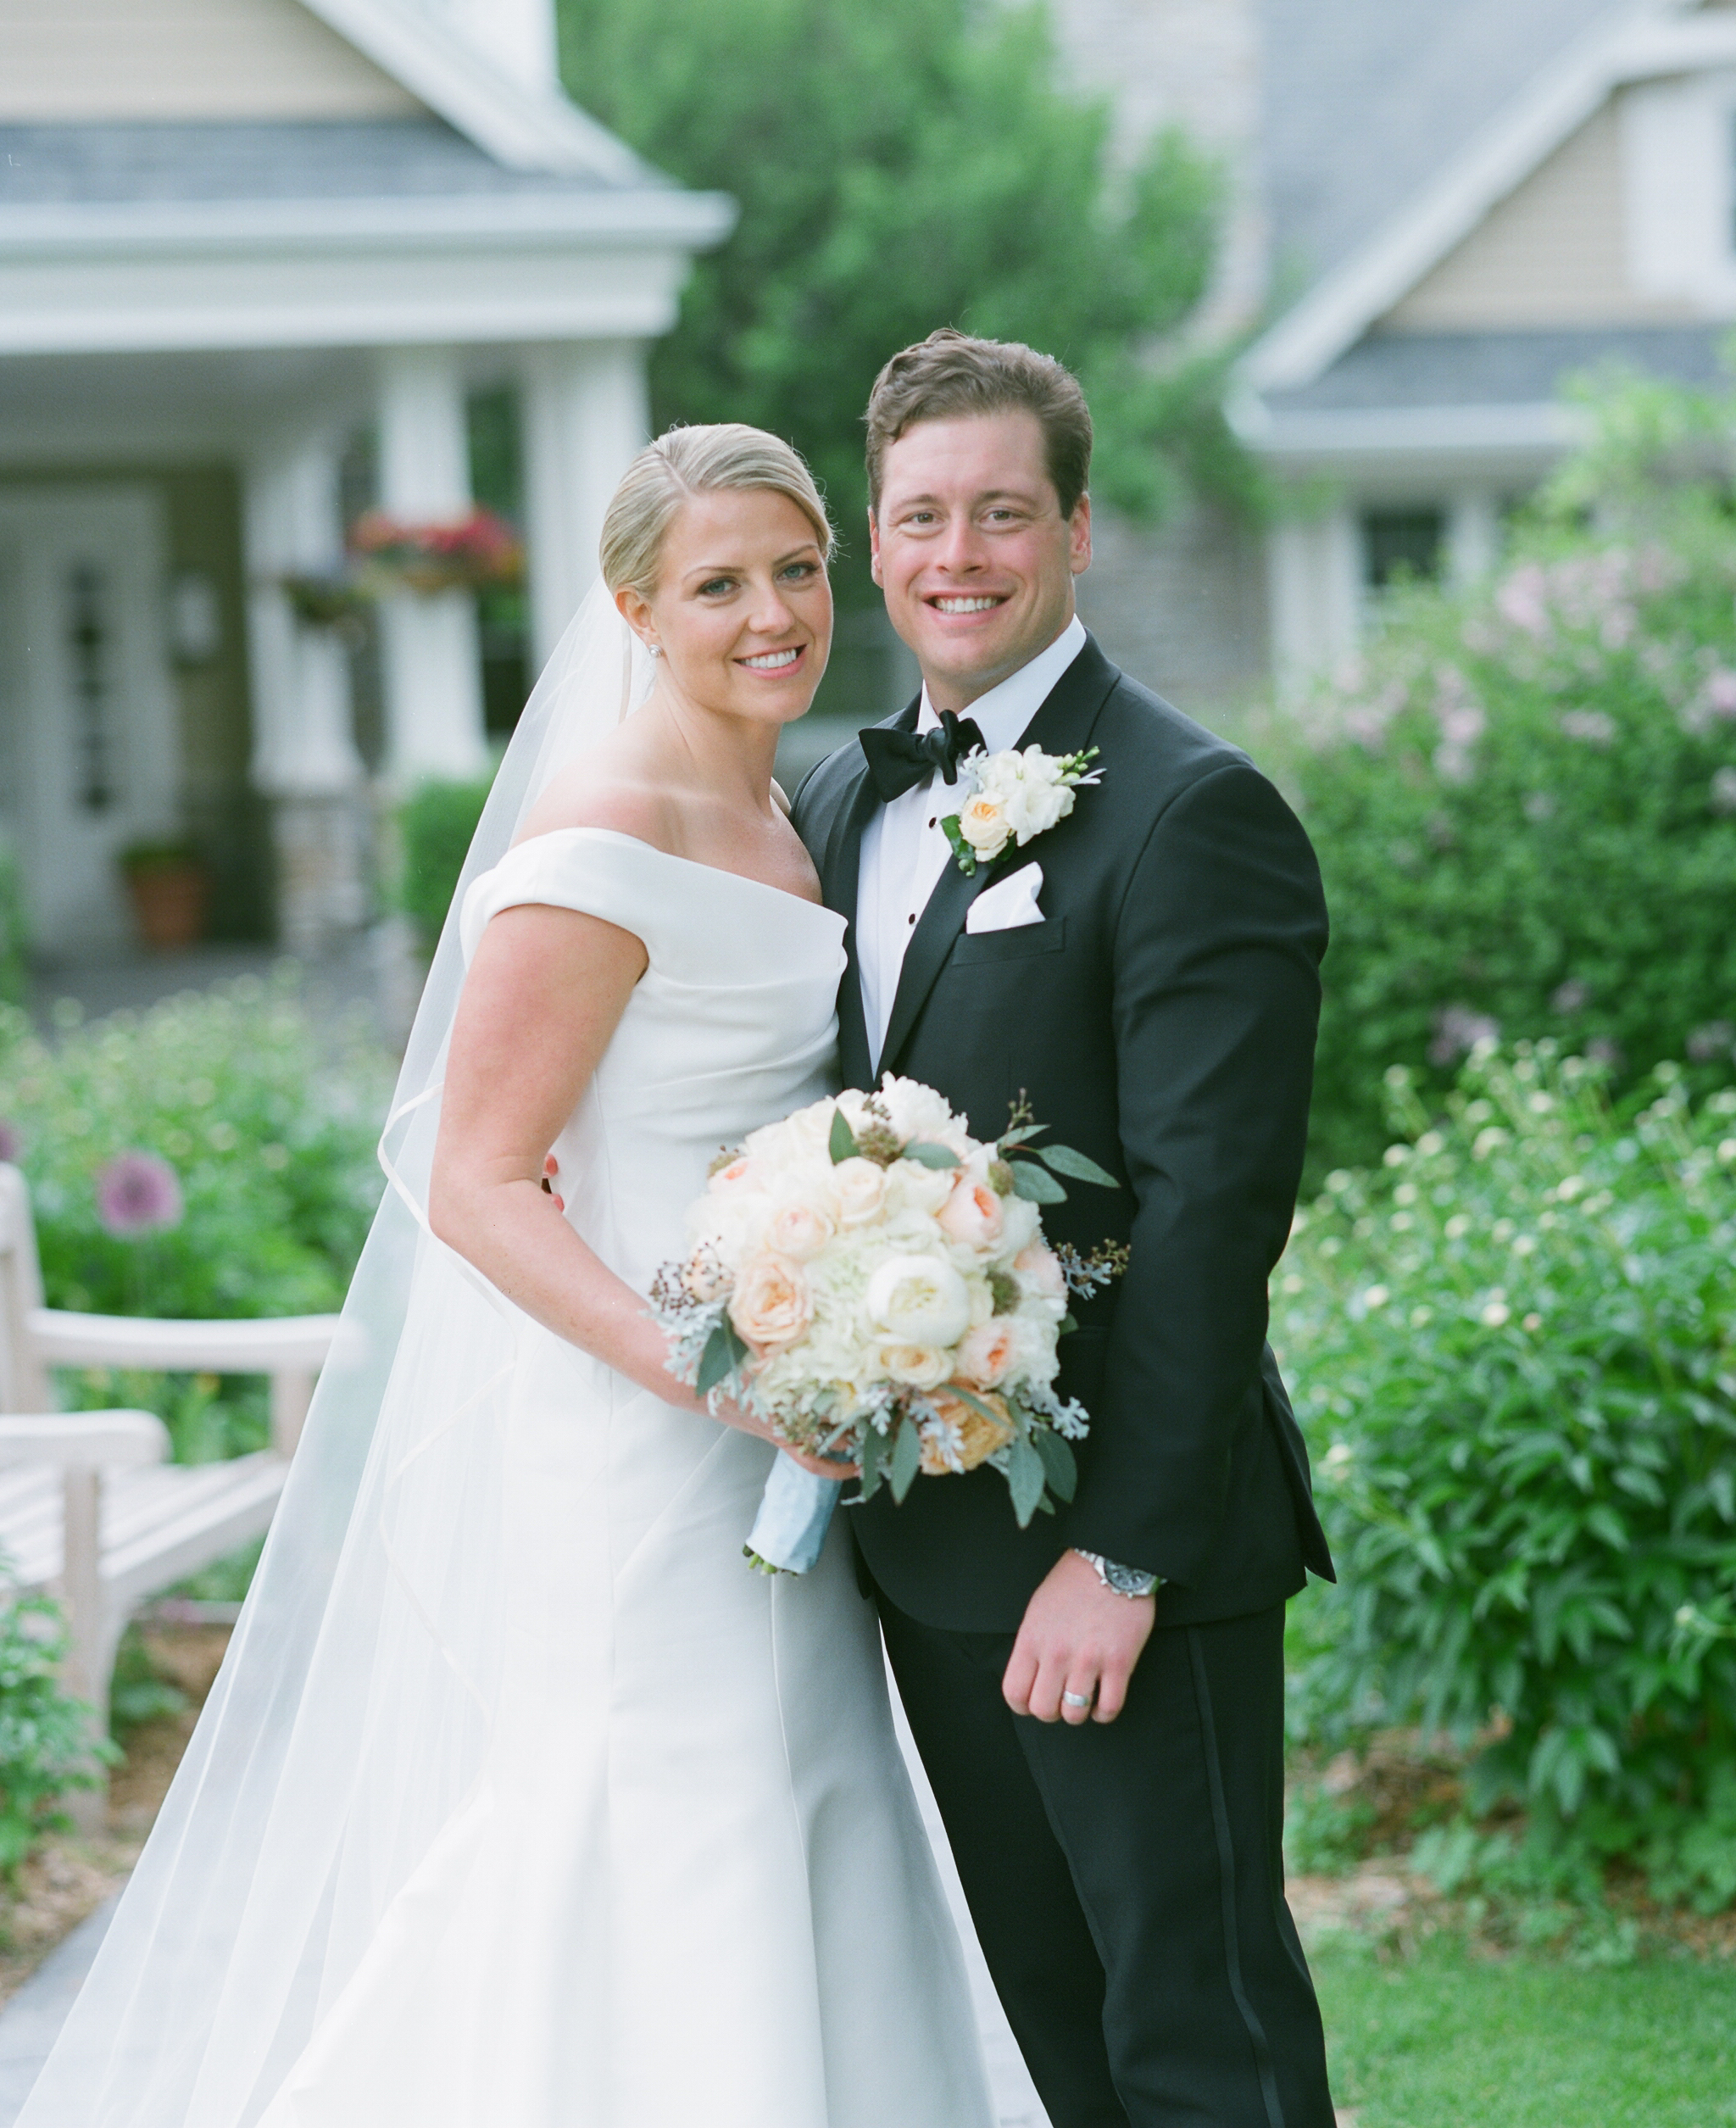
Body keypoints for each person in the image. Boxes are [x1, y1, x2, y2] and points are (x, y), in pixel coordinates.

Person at [17, 425, 993, 2128]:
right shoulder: (602, 824)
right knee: (660, 1804)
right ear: (632, 605)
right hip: (644, 1432)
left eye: (794, 569)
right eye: (718, 584)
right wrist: (711, 1372)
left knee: (799, 1785)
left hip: (780, 1412)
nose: (772, 612)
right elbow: (470, 1178)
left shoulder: (788, 803)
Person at [793, 330, 1340, 2128]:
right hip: (921, 1546)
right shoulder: (837, 796)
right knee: (1062, 2050)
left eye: (1003, 513)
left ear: (1078, 530)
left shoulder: (1193, 810)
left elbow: (1206, 1217)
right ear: (874, 542)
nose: (961, 552)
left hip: (1122, 1560)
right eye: (922, 515)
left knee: (1201, 2038)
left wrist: (1117, 1561)